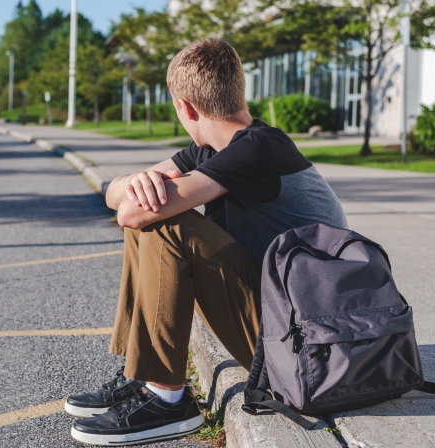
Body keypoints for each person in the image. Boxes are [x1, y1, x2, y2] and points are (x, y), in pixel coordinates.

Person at [66, 38, 348, 446]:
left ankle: (167, 399)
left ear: (185, 107)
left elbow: (131, 212)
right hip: (290, 329)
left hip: (307, 347)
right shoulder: (215, 150)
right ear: (239, 90)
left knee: (165, 223)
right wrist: (133, 181)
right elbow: (117, 195)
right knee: (152, 211)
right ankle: (140, 375)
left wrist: (137, 193)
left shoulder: (256, 150)